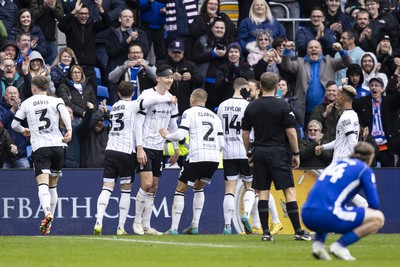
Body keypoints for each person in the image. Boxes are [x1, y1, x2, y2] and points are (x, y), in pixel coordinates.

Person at [93, 81, 177, 235]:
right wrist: (168, 99)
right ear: (133, 94)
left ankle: (98, 222)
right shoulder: (133, 105)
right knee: (125, 190)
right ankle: (120, 227)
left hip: (110, 151)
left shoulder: (114, 108)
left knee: (106, 188)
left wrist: (105, 111)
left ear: (118, 93)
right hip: (126, 152)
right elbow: (153, 99)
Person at [242, 72, 311, 242]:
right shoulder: (282, 106)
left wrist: (248, 153)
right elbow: (291, 132)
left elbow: (244, 133)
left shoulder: (251, 106)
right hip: (278, 152)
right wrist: (296, 153)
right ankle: (298, 231)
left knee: (263, 192)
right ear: (276, 86)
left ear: (260, 85)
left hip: (259, 152)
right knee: (289, 191)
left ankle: (266, 233)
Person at [302, 141, 384, 261]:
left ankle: (318, 246)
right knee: (378, 218)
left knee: (328, 205)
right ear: (371, 157)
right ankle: (340, 246)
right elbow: (374, 204)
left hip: (306, 214)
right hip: (325, 215)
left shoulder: (336, 164)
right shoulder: (363, 169)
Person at [11, 75, 72, 235]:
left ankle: (47, 213)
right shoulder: (56, 100)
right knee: (53, 185)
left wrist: (23, 130)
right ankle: (50, 221)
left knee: (42, 185)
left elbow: (14, 124)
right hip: (58, 145)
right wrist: (69, 129)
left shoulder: (27, 103)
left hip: (40, 147)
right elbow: (64, 112)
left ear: (33, 88)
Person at [161, 88, 224, 235]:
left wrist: (167, 135)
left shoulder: (189, 112)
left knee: (180, 189)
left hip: (197, 156)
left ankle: (174, 228)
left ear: (192, 99)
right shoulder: (215, 117)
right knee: (198, 187)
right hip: (214, 158)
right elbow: (222, 144)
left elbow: (181, 134)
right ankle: (194, 226)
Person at [133, 65, 179, 236]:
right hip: (145, 145)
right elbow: (138, 122)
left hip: (159, 147)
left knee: (154, 186)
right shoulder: (147, 95)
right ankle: (136, 221)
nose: (170, 80)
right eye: (167, 77)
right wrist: (139, 147)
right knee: (145, 184)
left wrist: (175, 148)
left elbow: (173, 123)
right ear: (158, 78)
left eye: (172, 78)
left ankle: (147, 225)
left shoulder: (172, 99)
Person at [281, 39, 352, 127]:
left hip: (327, 110)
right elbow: (286, 66)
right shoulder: (300, 62)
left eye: (316, 47)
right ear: (307, 50)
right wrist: (287, 51)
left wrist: (341, 51)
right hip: (305, 112)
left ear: (321, 50)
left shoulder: (329, 61)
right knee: (308, 137)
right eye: (311, 47)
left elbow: (348, 63)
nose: (313, 49)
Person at [58, 0, 112, 92]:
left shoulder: (93, 25)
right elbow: (61, 25)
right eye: (81, 13)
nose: (84, 16)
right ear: (77, 14)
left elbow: (107, 23)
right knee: (75, 96)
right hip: (74, 67)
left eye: (86, 14)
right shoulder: (71, 26)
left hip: (89, 68)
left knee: (92, 95)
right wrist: (74, 11)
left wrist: (101, 9)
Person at [353, 76, 400, 167]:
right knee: (369, 172)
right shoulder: (363, 101)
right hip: (369, 146)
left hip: (386, 146)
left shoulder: (389, 101)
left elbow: (397, 99)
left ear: (382, 89)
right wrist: (345, 87)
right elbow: (351, 103)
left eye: (376, 85)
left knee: (388, 174)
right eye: (371, 85)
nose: (374, 87)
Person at [156, 40, 203, 116]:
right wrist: (171, 78)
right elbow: (154, 80)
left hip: (185, 107)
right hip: (165, 105)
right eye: (174, 52)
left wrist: (191, 78)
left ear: (183, 52)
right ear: (169, 51)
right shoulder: (161, 64)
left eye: (179, 52)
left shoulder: (190, 65)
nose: (176, 54)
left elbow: (200, 82)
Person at [0, 85, 30, 169]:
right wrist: (13, 109)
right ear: (5, 96)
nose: (13, 95)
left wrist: (20, 109)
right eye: (10, 93)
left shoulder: (24, 107)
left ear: (18, 96)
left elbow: (29, 124)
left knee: (26, 177)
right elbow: (1, 124)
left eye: (15, 93)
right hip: (4, 156)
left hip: (20, 154)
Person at [30, 0, 65, 64]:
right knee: (36, 65)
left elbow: (61, 16)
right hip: (37, 40)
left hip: (51, 40)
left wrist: (53, 8)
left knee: (52, 66)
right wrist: (45, 6)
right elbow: (32, 15)